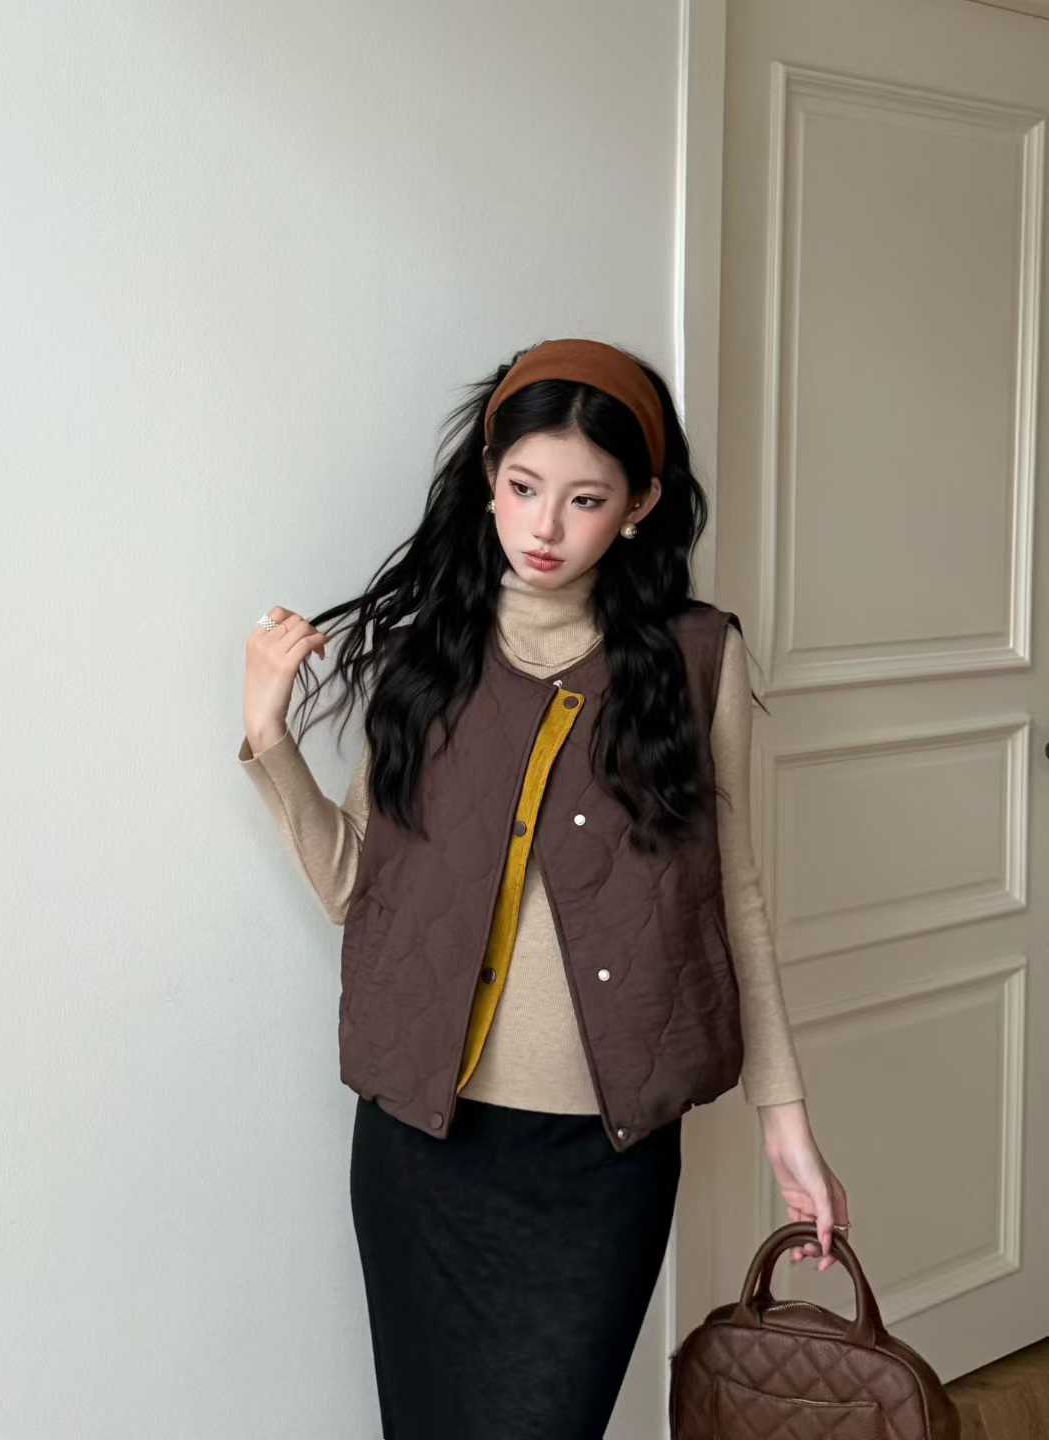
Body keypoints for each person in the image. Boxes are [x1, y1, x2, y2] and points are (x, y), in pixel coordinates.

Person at [238, 337, 850, 1439]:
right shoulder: (428, 657)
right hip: (422, 1146)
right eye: (523, 488)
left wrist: (785, 1115)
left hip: (599, 1162)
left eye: (585, 499)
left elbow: (735, 897)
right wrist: (269, 736)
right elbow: (354, 887)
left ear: (641, 506)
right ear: (488, 477)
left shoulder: (696, 658)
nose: (545, 527)